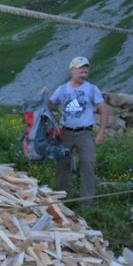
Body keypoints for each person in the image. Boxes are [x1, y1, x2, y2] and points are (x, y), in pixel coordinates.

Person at [47, 56, 108, 205]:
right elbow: (49, 105)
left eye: (86, 72)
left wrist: (100, 132)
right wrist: (45, 96)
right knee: (62, 165)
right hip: (66, 132)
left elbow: (103, 108)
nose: (84, 74)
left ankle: (86, 204)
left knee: (88, 165)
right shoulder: (62, 89)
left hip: (85, 133)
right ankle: (64, 199)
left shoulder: (92, 88)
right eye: (81, 71)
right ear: (72, 70)